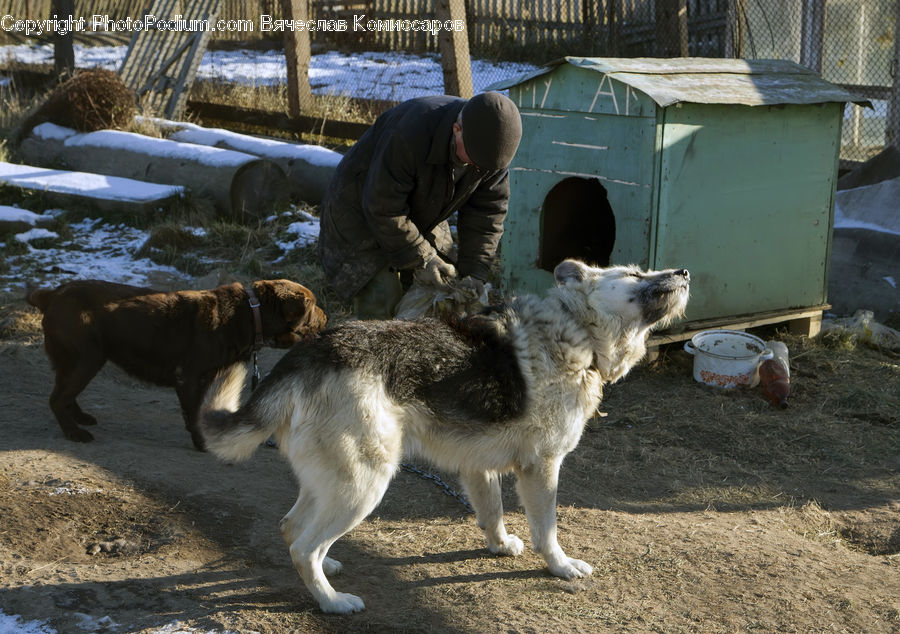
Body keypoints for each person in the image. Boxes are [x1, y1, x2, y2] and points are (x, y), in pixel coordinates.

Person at [318, 91, 523, 318]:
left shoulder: (491, 155)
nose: (477, 167)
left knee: (444, 291)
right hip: (359, 213)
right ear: (457, 129)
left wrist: (474, 273)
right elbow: (383, 208)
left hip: (422, 208)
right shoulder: (409, 133)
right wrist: (423, 257)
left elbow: (486, 216)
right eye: (473, 159)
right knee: (382, 302)